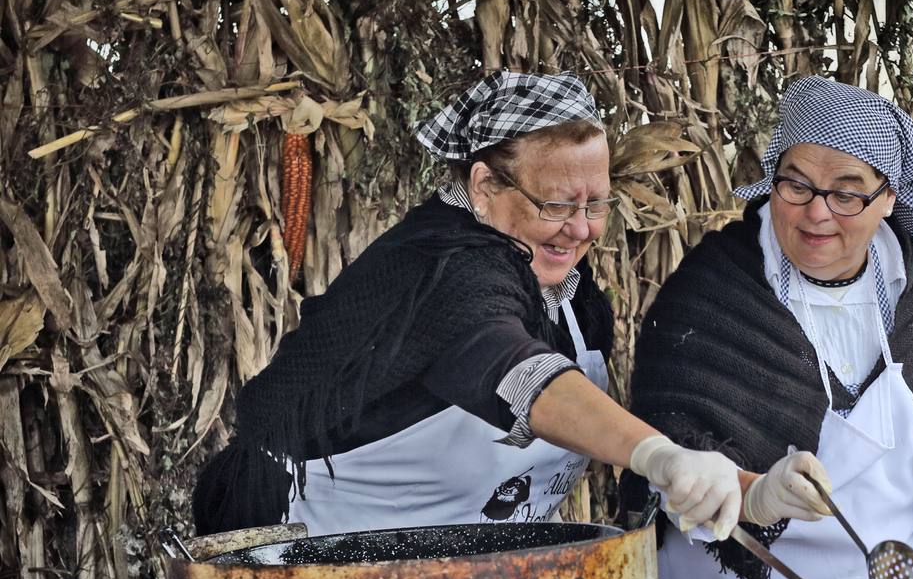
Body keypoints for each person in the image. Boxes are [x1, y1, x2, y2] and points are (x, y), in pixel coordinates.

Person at [194, 71, 800, 541]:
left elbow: (594, 426)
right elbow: (506, 367)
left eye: (597, 205)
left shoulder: (572, 296)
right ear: (485, 187)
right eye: (559, 204)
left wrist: (747, 491)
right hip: (307, 570)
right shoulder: (443, 267)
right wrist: (661, 456)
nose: (582, 230)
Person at [624, 76, 913, 579]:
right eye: (796, 186)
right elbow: (666, 468)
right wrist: (752, 490)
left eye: (847, 194)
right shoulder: (712, 291)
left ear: (889, 199)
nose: (816, 214)